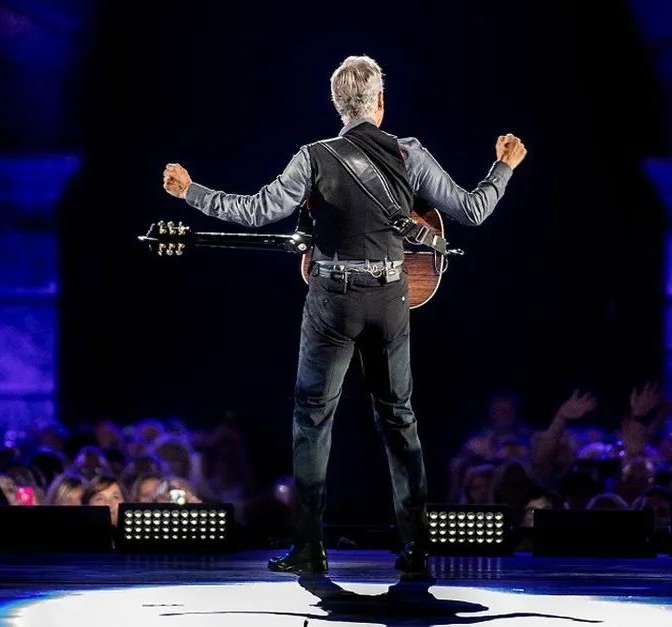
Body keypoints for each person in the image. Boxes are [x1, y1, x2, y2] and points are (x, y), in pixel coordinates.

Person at [161, 55, 527, 575]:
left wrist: (191, 192)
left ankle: (310, 548)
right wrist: (503, 167)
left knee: (312, 421)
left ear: (337, 106)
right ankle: (417, 550)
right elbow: (472, 210)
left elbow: (256, 211)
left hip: (332, 298)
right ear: (380, 103)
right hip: (390, 296)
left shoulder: (312, 157)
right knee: (400, 420)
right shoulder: (409, 154)